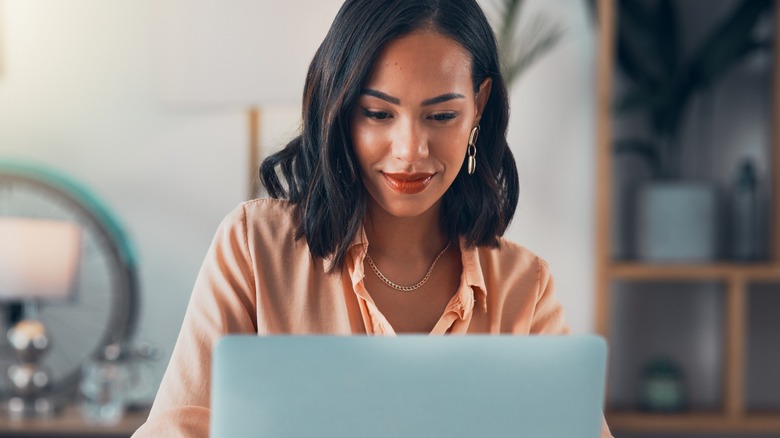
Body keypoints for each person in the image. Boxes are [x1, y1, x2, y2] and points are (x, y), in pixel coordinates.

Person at [133, 0, 612, 436]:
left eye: (441, 116)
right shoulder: (254, 247)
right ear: (341, 110)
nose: (410, 151)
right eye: (378, 114)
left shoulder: (522, 285)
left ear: (479, 107)